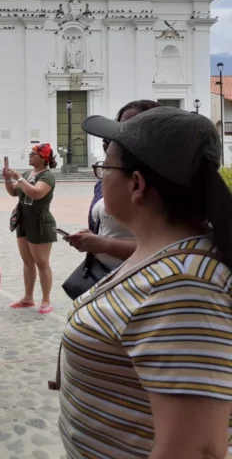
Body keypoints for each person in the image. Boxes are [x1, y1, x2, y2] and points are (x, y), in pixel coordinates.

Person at [59, 107, 232, 459]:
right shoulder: (163, 255)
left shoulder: (184, 289)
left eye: (106, 167)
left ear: (136, 184)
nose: (101, 177)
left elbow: (196, 450)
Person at [65, 100, 159, 263]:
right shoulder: (105, 181)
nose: (115, 138)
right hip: (103, 274)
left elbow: (163, 249)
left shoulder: (161, 186)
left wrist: (103, 244)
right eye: (118, 127)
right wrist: (92, 238)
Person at [4, 143, 58, 314]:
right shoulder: (28, 173)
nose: (29, 156)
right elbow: (14, 192)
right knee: (27, 261)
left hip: (40, 221)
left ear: (43, 158)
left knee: (42, 262)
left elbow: (36, 193)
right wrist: (7, 179)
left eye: (33, 154)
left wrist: (19, 178)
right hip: (23, 220)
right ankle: (28, 297)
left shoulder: (47, 176)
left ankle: (46, 299)